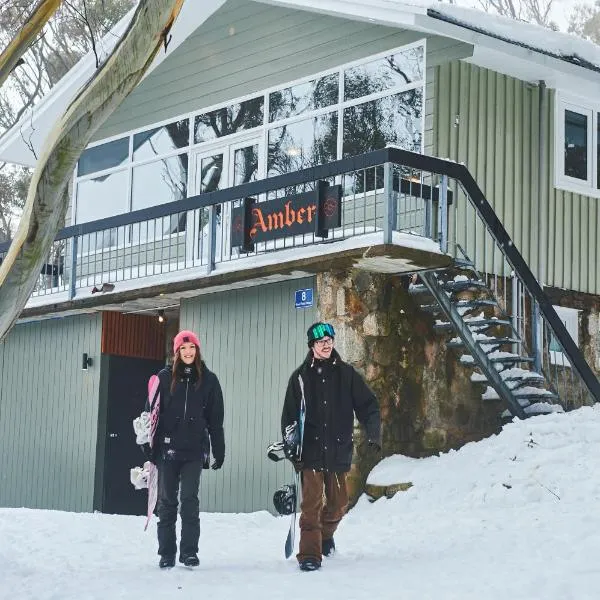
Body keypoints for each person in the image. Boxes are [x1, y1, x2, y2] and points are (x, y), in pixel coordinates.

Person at [281, 322, 381, 572]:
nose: (326, 345)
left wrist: (373, 434)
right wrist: (292, 448)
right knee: (311, 506)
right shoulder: (300, 378)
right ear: (311, 346)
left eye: (329, 340)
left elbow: (368, 406)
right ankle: (309, 554)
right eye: (320, 342)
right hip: (311, 453)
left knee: (339, 504)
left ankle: (325, 536)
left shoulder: (346, 375)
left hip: (338, 450)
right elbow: (289, 418)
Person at [145, 329, 225, 569]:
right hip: (167, 451)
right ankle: (166, 553)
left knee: (190, 501)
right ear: (176, 352)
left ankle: (189, 552)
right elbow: (149, 416)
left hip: (193, 451)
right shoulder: (163, 377)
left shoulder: (209, 380)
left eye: (192, 348)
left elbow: (215, 419)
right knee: (167, 502)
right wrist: (147, 447)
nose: (188, 352)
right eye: (183, 348)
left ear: (197, 350)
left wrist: (218, 450)